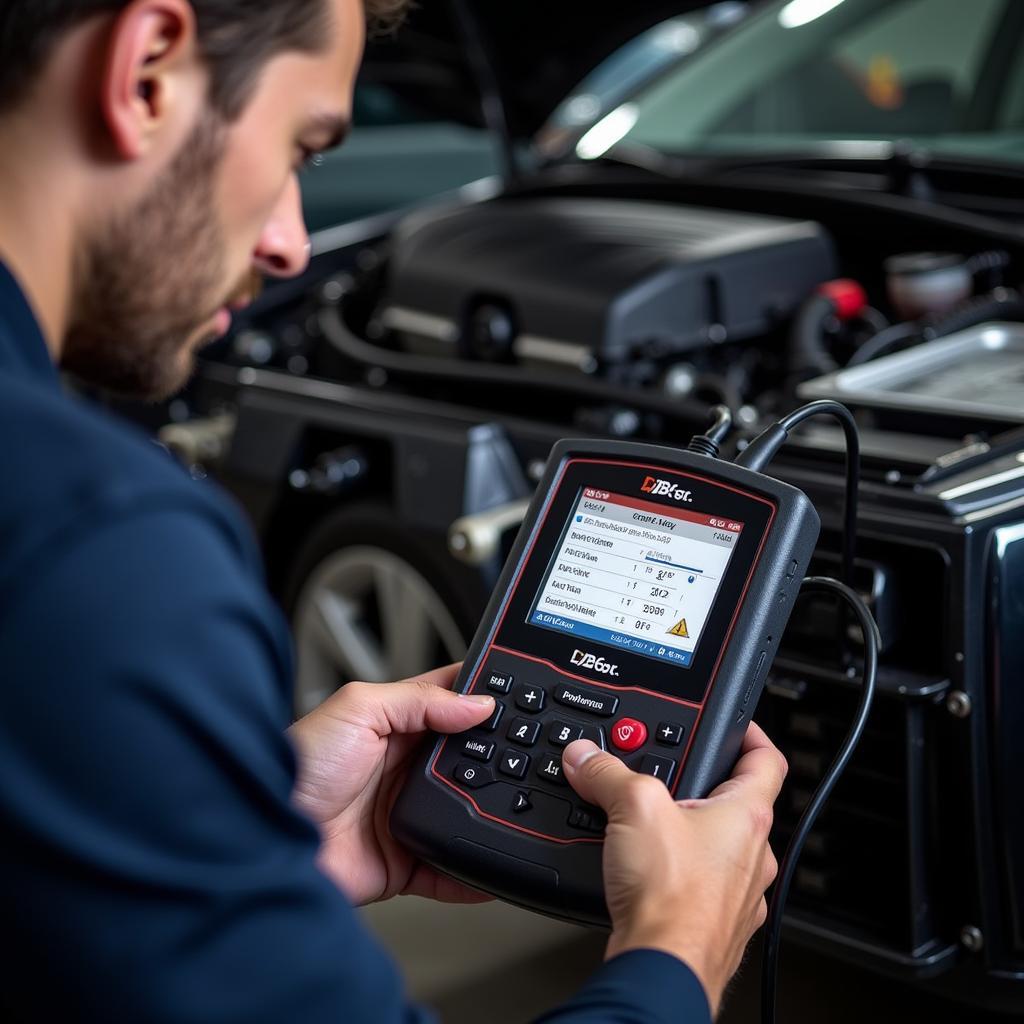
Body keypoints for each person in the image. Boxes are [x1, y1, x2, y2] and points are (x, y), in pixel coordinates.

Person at [0, 1, 786, 1020]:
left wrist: (234, 835)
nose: (289, 245)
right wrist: (676, 948)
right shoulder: (100, 539)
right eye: (300, 147)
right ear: (147, 70)